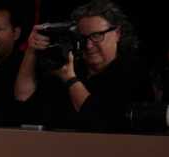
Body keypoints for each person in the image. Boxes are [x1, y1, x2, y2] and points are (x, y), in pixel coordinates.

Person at [14, 0, 153, 132]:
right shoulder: (72, 67)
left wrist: (71, 80)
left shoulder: (134, 73)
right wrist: (31, 51)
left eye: (97, 36)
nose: (88, 45)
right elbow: (23, 98)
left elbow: (100, 123)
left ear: (117, 33)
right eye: (82, 38)